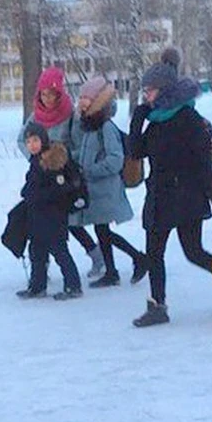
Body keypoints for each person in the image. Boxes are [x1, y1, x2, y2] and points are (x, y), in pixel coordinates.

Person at [128, 48, 212, 328]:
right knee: (154, 253)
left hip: (187, 197)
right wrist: (137, 121)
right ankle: (157, 307)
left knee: (193, 251)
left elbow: (203, 163)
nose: (145, 96)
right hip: (161, 196)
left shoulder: (189, 120)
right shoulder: (155, 121)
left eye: (148, 91)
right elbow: (136, 152)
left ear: (162, 91)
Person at [16, 66, 104, 277]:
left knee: (65, 222)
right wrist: (36, 158)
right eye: (43, 94)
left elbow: (77, 143)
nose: (47, 98)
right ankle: (41, 268)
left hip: (61, 175)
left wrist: (60, 159)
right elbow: (21, 139)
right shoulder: (35, 116)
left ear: (59, 94)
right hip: (41, 175)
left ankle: (93, 253)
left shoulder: (68, 115)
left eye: (51, 94)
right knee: (42, 223)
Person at [69, 76, 147, 288]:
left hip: (105, 189)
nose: (81, 103)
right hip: (94, 190)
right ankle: (116, 269)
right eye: (81, 98)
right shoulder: (90, 127)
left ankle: (137, 259)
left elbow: (115, 159)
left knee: (103, 231)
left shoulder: (105, 127)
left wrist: (91, 171)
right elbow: (86, 153)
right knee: (102, 231)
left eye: (86, 99)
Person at [16, 122, 83, 301]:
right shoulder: (36, 161)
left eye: (35, 140)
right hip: (38, 217)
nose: (32, 145)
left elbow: (58, 189)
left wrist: (34, 194)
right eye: (28, 141)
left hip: (53, 217)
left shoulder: (53, 160)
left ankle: (73, 285)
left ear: (43, 139)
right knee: (36, 252)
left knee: (60, 251)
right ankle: (38, 286)